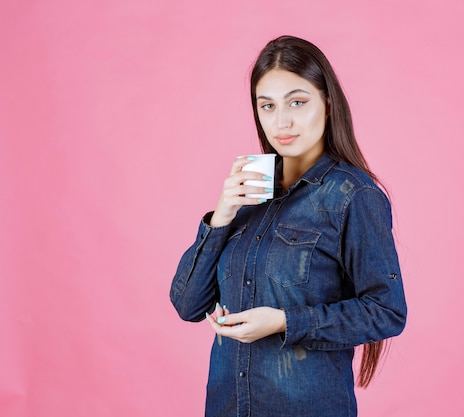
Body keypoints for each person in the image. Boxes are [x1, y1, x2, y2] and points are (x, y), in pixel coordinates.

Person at [170, 35, 407, 417]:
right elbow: (188, 305)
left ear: (327, 105)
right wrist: (223, 213)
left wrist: (284, 322)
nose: (281, 121)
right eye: (267, 106)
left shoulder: (353, 195)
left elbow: (386, 311)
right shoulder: (250, 192)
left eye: (297, 102)